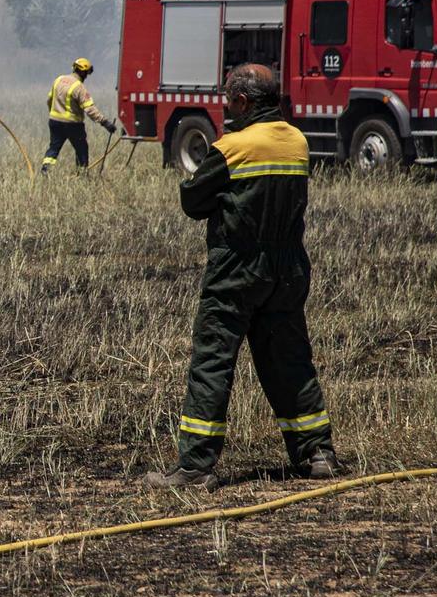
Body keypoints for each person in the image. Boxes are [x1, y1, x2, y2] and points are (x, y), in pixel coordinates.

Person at [145, 63, 338, 489]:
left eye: (230, 100)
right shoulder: (298, 143)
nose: (228, 108)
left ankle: (195, 466)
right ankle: (317, 453)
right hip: (287, 270)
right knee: (290, 361)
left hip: (236, 270)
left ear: (244, 102)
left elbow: (193, 201)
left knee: (213, 361)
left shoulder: (232, 148)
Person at [43, 56, 117, 172]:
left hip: (54, 122)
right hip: (73, 125)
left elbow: (49, 100)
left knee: (53, 148)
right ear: (83, 73)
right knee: (81, 149)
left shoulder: (58, 80)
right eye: (86, 74)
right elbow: (89, 109)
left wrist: (53, 115)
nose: (86, 76)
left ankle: (45, 170)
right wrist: (104, 122)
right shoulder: (79, 87)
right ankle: (82, 174)